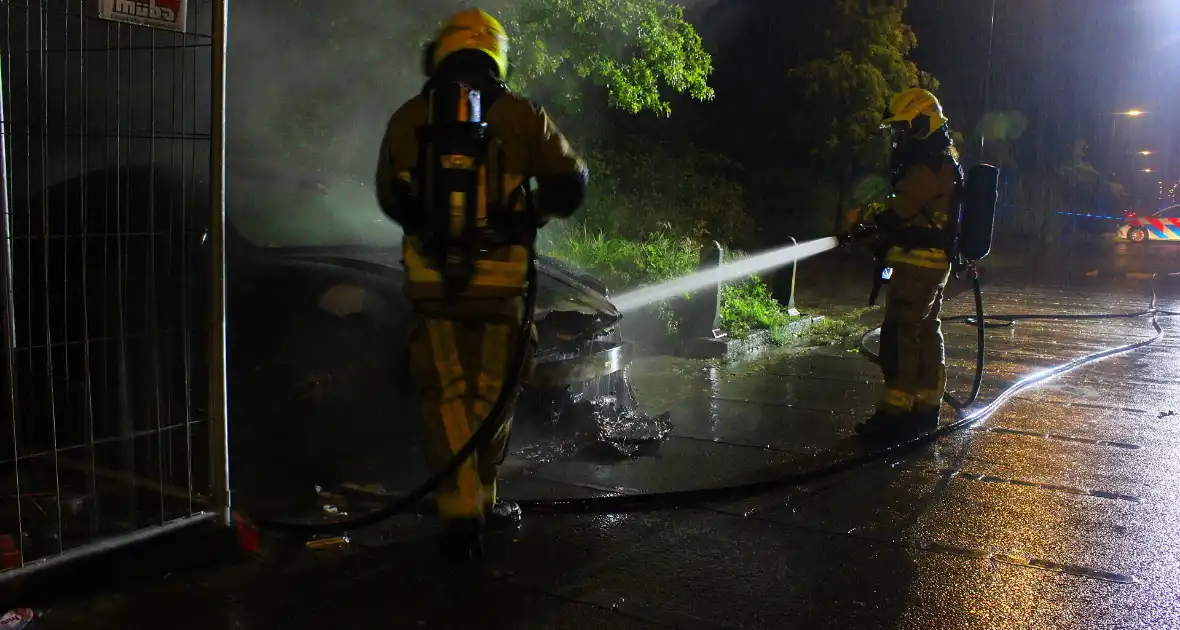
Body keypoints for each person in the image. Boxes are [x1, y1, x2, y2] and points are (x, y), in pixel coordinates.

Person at [374, 8, 588, 562]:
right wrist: (528, 214)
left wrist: (432, 225)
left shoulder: (406, 118)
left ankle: (461, 510)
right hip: (501, 286)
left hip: (433, 286)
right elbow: (572, 184)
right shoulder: (523, 117)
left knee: (446, 395)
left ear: (440, 52)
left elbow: (389, 197)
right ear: (497, 53)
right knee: (494, 393)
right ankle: (482, 500)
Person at [855, 88, 962, 440]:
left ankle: (895, 415)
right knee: (926, 332)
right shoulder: (943, 159)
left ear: (922, 123)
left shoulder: (929, 165)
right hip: (933, 265)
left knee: (900, 336)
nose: (900, 136)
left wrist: (865, 217)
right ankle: (925, 407)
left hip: (917, 264)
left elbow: (899, 209)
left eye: (904, 127)